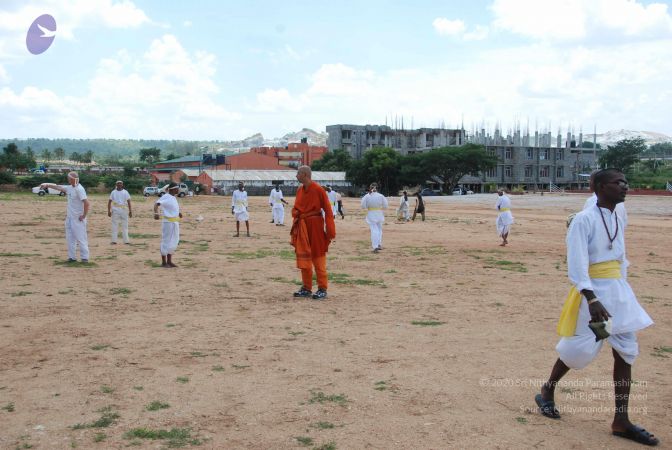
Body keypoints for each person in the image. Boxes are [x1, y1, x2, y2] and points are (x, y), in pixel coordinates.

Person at [535, 169, 658, 447]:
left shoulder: (619, 214)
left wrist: (622, 290)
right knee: (578, 350)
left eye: (626, 181)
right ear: (600, 187)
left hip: (617, 293)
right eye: (618, 183)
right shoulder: (583, 220)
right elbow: (577, 266)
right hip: (594, 298)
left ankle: (621, 420)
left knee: (626, 351)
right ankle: (547, 390)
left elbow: (621, 255)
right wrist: (591, 299)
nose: (625, 186)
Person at [290, 166, 336, 300]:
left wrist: (330, 230)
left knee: (318, 256)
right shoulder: (299, 190)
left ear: (304, 174)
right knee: (304, 256)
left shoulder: (318, 190)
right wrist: (296, 213)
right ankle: (306, 287)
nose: (296, 176)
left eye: (298, 173)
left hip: (315, 226)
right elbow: (296, 208)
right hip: (302, 226)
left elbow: (328, 210)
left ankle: (322, 288)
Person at [40, 171, 90, 262]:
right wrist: (48, 185)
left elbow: (86, 203)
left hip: (78, 219)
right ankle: (72, 257)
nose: (67, 179)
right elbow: (59, 187)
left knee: (81, 238)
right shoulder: (70, 188)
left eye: (69, 178)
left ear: (72, 179)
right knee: (70, 239)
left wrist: (84, 216)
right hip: (69, 218)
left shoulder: (79, 189)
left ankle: (85, 258)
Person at [154, 182, 182, 268]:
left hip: (175, 222)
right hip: (168, 223)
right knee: (166, 241)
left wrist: (178, 213)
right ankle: (163, 262)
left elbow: (172, 207)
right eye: (177, 188)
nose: (178, 190)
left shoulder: (173, 197)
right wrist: (156, 213)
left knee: (174, 241)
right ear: (173, 189)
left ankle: (169, 261)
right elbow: (156, 204)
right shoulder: (166, 196)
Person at [361, 183, 388, 253]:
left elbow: (363, 206)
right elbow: (385, 206)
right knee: (379, 230)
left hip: (371, 213)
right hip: (379, 213)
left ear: (370, 188)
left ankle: (375, 246)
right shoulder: (381, 196)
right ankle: (379, 244)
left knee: (374, 230)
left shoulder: (367, 196)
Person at [107, 180, 132, 245]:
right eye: (118, 184)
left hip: (124, 210)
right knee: (114, 225)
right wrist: (109, 211)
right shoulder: (113, 192)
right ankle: (114, 240)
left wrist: (130, 211)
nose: (119, 185)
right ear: (116, 185)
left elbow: (129, 202)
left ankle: (126, 241)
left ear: (122, 185)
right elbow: (109, 202)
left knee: (125, 226)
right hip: (115, 210)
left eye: (120, 184)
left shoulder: (125, 192)